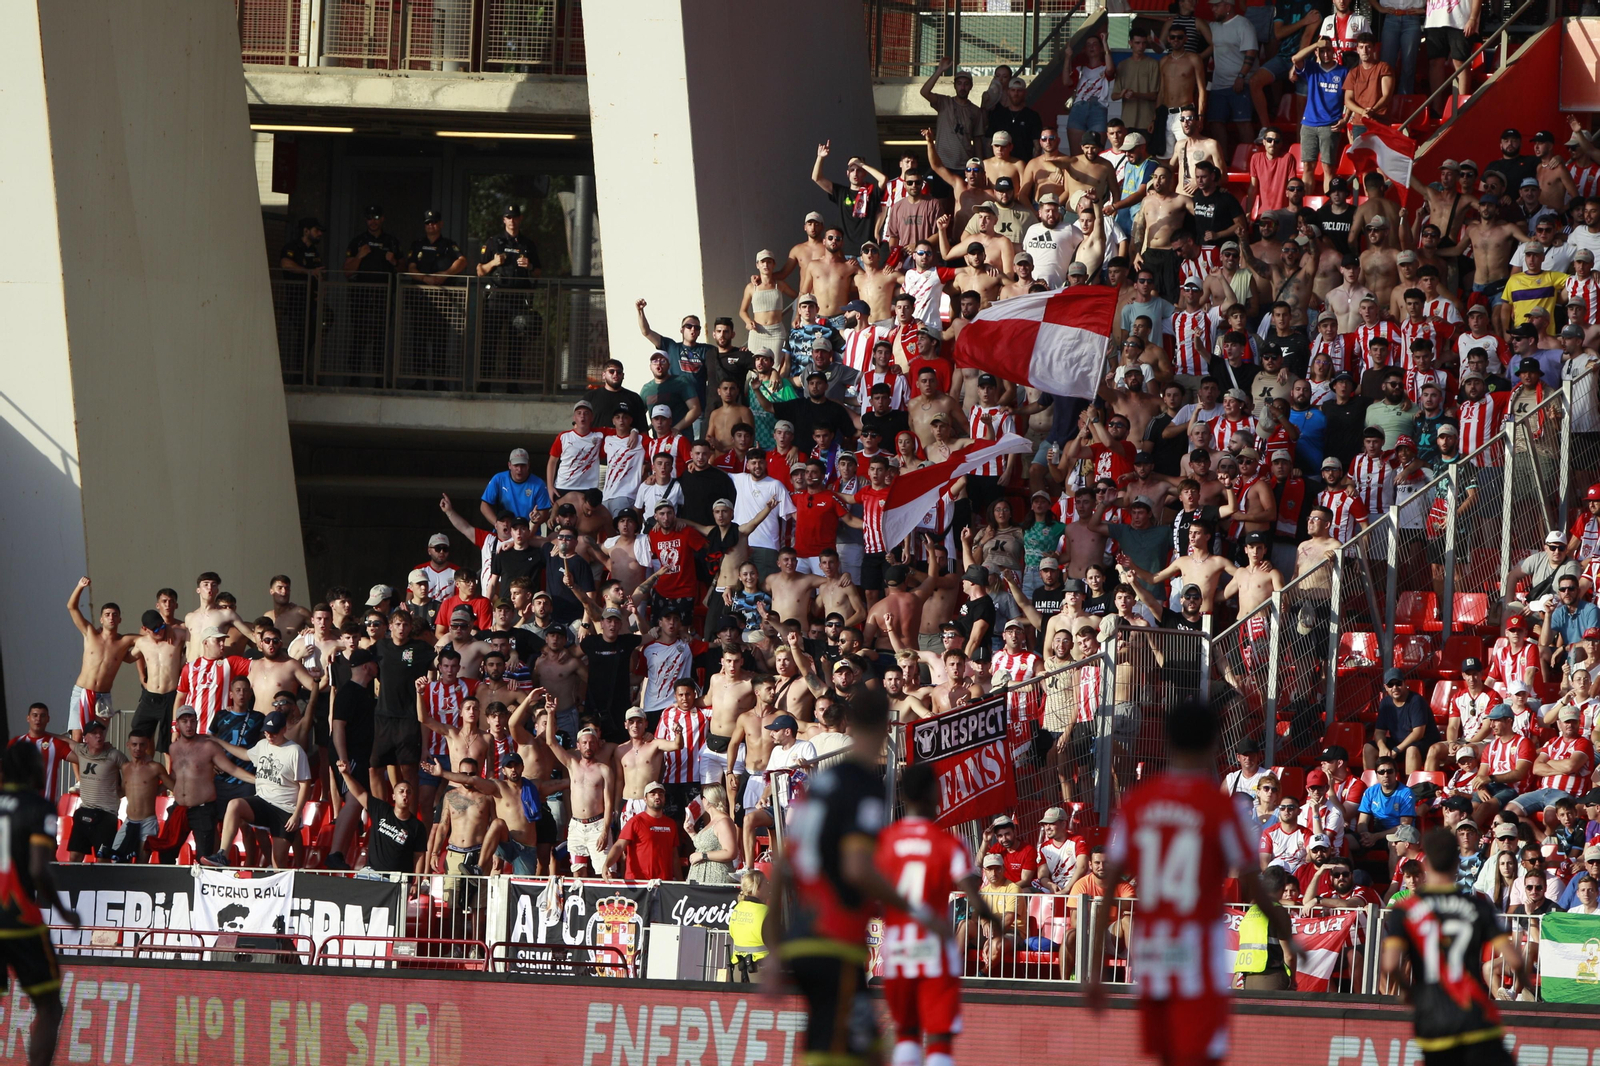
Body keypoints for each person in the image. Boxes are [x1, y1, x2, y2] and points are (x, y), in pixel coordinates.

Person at [1086, 699, 1291, 1066]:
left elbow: (1108, 890)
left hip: (1154, 947)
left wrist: (1095, 969)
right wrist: (1289, 936)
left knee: (1166, 1054)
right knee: (1203, 1054)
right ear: (1214, 744)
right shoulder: (1220, 809)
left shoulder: (1138, 804)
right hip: (1197, 944)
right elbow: (1255, 887)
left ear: (1167, 742)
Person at [767, 690, 943, 1066]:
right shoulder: (865, 785)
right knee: (842, 1052)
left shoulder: (822, 785)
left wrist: (775, 942)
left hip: (803, 938)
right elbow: (856, 868)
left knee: (852, 1050)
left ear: (849, 722)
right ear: (886, 727)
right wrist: (915, 910)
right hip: (835, 939)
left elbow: (784, 860)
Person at [1381, 827, 1524, 1065]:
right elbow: (1516, 960)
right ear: (1457, 863)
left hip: (1432, 1021)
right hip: (1474, 1015)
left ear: (1427, 865)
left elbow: (1389, 964)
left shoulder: (1405, 910)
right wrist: (1524, 985)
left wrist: (1409, 994)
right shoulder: (1477, 906)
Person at [332, 759, 426, 873]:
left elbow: (419, 856)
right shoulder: (381, 810)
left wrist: (416, 883)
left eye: (409, 792)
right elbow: (360, 793)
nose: (405, 794)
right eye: (401, 791)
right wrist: (345, 774)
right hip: (371, 873)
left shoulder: (417, 826)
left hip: (397, 879)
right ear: (394, 796)